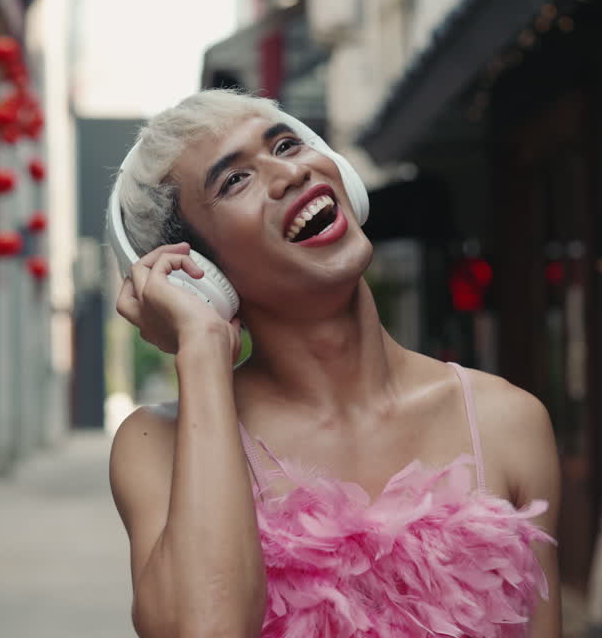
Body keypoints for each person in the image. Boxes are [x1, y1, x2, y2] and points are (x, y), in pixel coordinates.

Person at [107, 89, 561, 638]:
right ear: (198, 272)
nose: (289, 173)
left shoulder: (507, 421)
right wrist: (200, 346)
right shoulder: (157, 447)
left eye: (286, 145)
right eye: (235, 180)